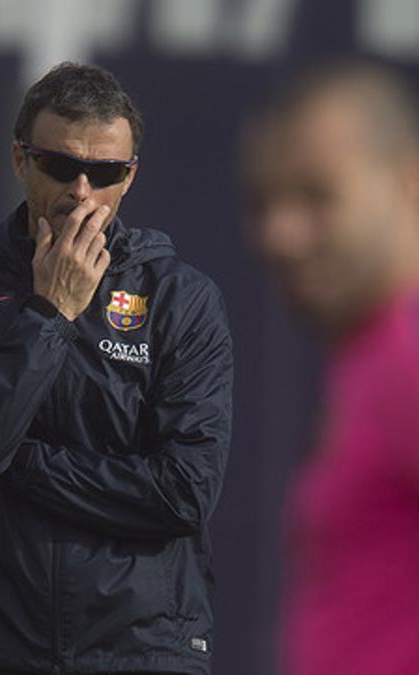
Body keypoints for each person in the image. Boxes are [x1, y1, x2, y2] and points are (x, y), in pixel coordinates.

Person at [0, 62, 234, 675]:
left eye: (104, 172)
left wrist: (16, 453)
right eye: (61, 166)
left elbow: (183, 493)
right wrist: (50, 313)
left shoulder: (182, 300)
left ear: (129, 179)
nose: (82, 190)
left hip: (143, 650)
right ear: (20, 160)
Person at [241, 60, 419, 675]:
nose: (280, 233)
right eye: (266, 203)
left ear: (409, 184)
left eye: (317, 195)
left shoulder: (409, 356)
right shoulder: (371, 357)